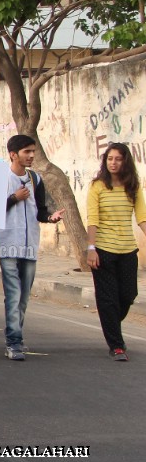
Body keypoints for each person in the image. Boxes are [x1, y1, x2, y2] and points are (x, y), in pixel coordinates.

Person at [0, 135, 64, 361]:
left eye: (33, 151)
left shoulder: (35, 179)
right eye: (26, 152)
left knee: (23, 297)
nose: (31, 155)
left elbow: (39, 211)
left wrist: (50, 218)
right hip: (6, 243)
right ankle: (13, 342)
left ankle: (15, 333)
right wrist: (14, 197)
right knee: (13, 294)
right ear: (13, 154)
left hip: (29, 244)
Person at [87, 142, 145, 361]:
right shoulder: (98, 186)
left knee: (129, 295)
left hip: (128, 250)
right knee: (108, 299)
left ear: (125, 161)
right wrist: (91, 249)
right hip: (103, 250)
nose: (113, 163)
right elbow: (93, 219)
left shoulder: (133, 186)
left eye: (118, 159)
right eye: (110, 158)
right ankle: (116, 345)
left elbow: (142, 217)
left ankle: (110, 322)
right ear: (105, 161)